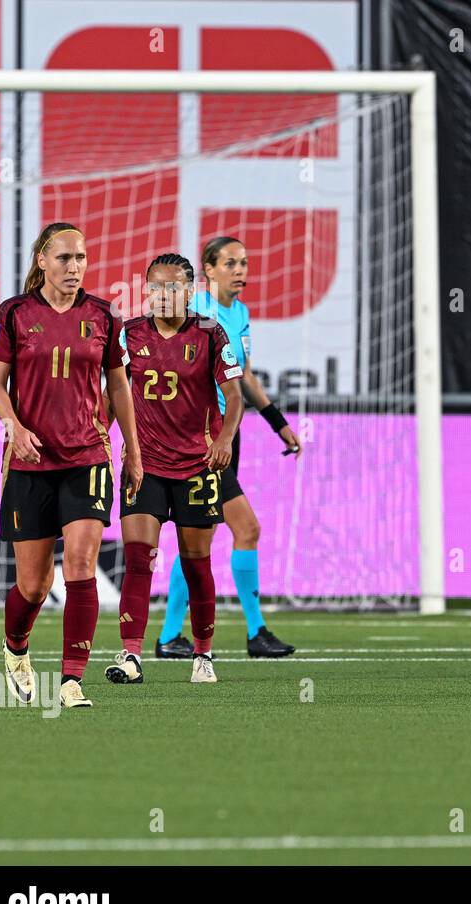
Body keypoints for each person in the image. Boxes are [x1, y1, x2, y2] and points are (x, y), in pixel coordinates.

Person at [0, 222, 142, 709]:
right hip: (30, 462)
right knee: (34, 585)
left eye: (81, 258)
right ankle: (15, 648)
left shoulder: (102, 315)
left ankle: (72, 679)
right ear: (41, 261)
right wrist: (14, 426)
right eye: (64, 258)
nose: (74, 268)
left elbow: (118, 385)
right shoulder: (13, 313)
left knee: (80, 564)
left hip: (88, 456)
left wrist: (133, 451)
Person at [155, 237, 300, 659]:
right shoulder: (196, 313)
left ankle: (168, 637)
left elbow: (245, 377)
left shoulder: (240, 314)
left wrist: (278, 424)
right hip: (202, 437)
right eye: (231, 263)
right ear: (208, 270)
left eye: (245, 262)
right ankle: (255, 631)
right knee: (245, 529)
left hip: (227, 435)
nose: (241, 270)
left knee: (200, 537)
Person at [107, 253, 245, 686]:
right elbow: (113, 394)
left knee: (196, 562)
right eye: (155, 288)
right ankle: (130, 655)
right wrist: (98, 437)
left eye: (173, 288)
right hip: (143, 464)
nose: (163, 296)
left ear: (189, 291)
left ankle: (202, 655)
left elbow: (235, 397)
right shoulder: (129, 334)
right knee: (138, 559)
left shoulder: (209, 332)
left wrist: (223, 439)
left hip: (196, 466)